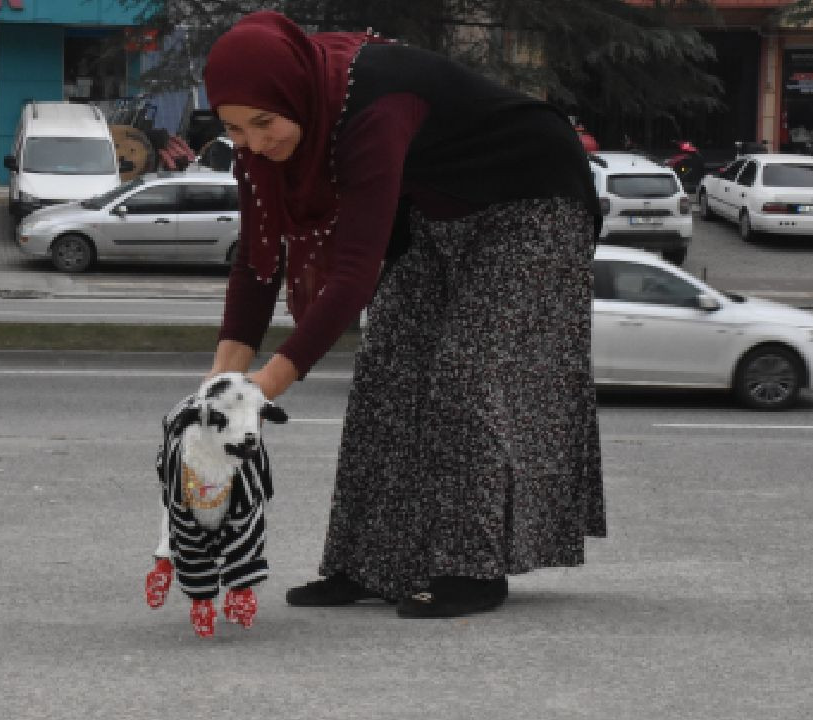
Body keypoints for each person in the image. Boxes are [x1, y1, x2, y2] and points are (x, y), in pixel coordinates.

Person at [201, 11, 605, 619]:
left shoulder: (374, 109)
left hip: (532, 199)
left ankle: (471, 570)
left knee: (464, 376)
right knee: (385, 374)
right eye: (236, 129)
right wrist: (219, 384)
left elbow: (354, 273)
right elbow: (257, 267)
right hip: (434, 210)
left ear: (296, 95)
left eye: (264, 123)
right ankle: (366, 565)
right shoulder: (262, 149)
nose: (255, 143)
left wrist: (265, 387)